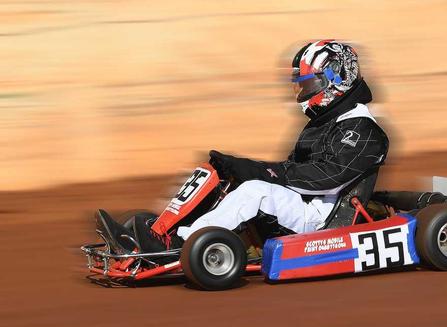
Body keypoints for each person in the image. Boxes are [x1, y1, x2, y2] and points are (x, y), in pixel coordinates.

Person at [96, 40, 389, 253]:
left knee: (254, 190)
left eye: (310, 84)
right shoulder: (326, 121)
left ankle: (181, 244)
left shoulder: (363, 130)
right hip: (304, 206)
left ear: (337, 79)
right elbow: (294, 168)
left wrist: (257, 171)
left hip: (322, 221)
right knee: (227, 180)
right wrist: (241, 169)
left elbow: (324, 178)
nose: (303, 92)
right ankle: (162, 228)